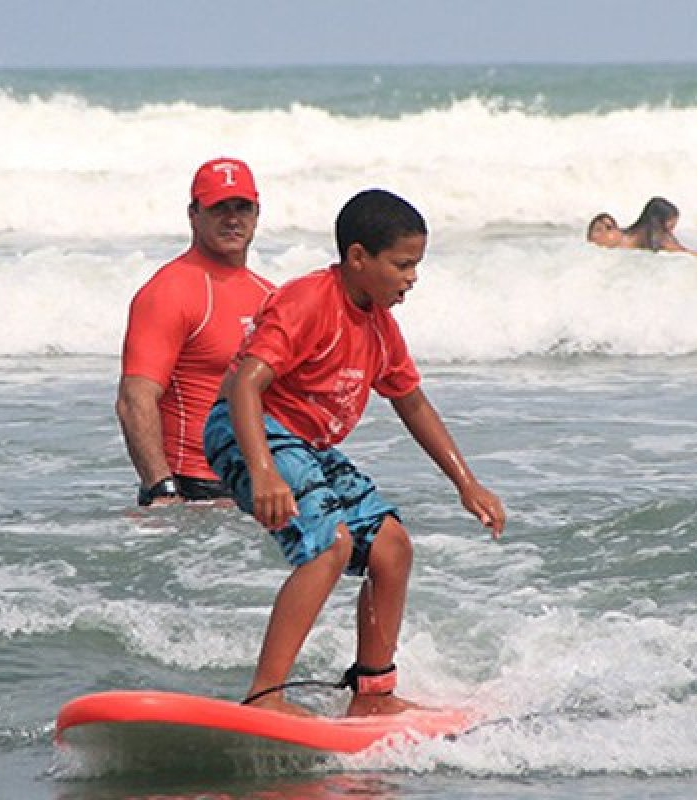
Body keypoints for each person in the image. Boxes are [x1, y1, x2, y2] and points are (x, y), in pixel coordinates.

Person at [203, 188, 506, 718]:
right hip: (249, 429)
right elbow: (246, 385)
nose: (413, 277)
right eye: (403, 264)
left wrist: (467, 483)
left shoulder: (382, 329)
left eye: (417, 265)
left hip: (308, 445)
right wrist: (263, 470)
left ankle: (373, 693)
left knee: (391, 545)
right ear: (359, 257)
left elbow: (412, 404)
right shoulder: (308, 302)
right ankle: (265, 694)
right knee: (330, 545)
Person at [116, 157, 275, 507]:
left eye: (242, 207)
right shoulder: (170, 290)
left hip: (259, 488)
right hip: (193, 492)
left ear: (257, 214)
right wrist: (160, 487)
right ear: (193, 214)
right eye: (219, 208)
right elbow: (134, 398)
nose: (233, 219)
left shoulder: (269, 295)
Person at [587, 196, 697, 254]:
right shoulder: (612, 234)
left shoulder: (661, 239)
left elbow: (685, 253)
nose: (670, 233)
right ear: (657, 224)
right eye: (669, 228)